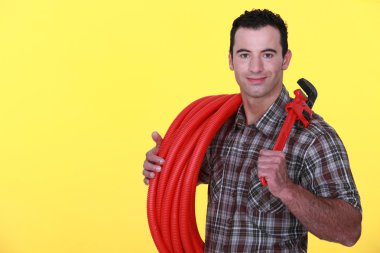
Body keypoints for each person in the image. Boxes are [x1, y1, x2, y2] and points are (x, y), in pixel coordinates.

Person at [143, 9, 362, 252]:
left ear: (285, 59)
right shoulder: (217, 129)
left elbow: (349, 231)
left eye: (267, 55)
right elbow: (181, 176)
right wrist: (163, 163)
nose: (255, 67)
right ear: (231, 60)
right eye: (245, 55)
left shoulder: (313, 139)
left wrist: (287, 189)